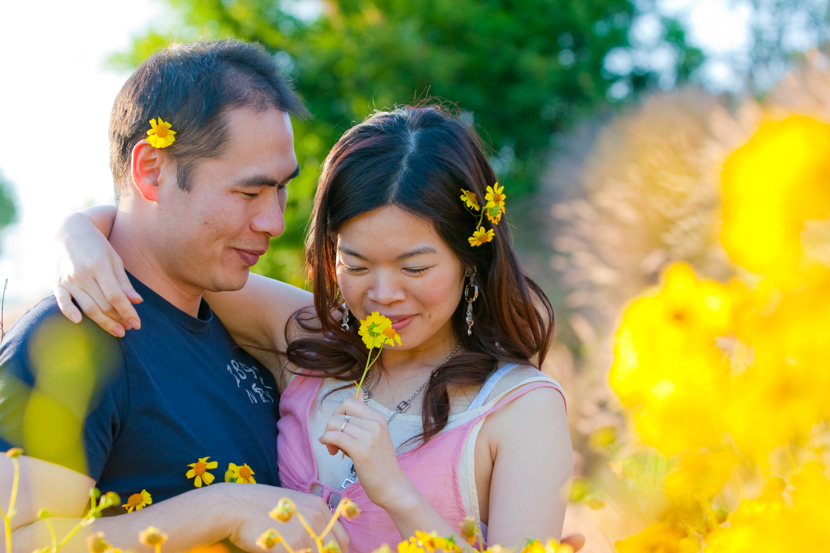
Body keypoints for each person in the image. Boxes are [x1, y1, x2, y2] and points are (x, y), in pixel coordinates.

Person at [55, 106, 574, 552]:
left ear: (472, 258)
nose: (383, 294)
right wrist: (77, 233)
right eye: (356, 264)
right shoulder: (307, 339)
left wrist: (396, 493)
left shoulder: (519, 409)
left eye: (415, 268)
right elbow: (165, 251)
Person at [0, 40, 350, 553]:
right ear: (151, 170)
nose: (273, 222)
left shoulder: (240, 325)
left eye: (281, 189)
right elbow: (15, 540)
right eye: (248, 192)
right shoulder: (73, 339)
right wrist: (221, 508)